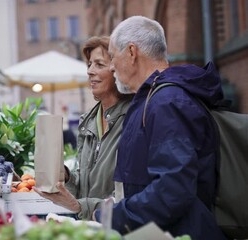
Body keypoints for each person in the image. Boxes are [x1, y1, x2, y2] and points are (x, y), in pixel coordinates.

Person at [93, 15, 227, 239]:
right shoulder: (156, 98)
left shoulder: (167, 102)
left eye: (113, 56)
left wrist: (111, 217)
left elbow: (172, 189)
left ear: (132, 52)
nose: (112, 66)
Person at [34, 36, 133, 220]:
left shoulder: (132, 119)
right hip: (88, 227)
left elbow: (128, 196)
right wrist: (65, 177)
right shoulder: (87, 121)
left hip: (116, 228)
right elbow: (83, 186)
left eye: (99, 64)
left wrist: (80, 207)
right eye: (89, 64)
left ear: (117, 70)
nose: (89, 71)